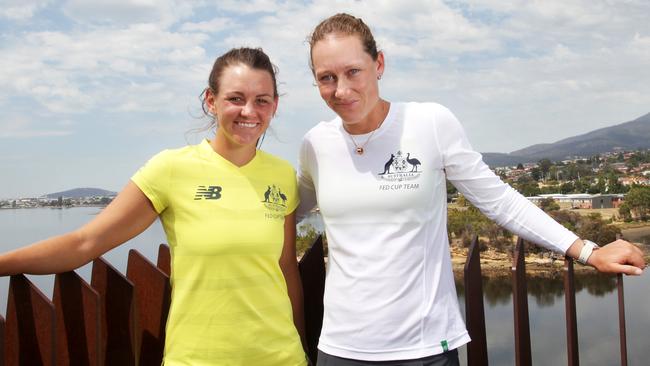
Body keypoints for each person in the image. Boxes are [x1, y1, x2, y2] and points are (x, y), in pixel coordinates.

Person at [296, 13, 646, 366]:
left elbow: (499, 200)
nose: (341, 89)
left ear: (379, 64)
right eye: (327, 78)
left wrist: (587, 251)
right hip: (340, 350)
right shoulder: (315, 145)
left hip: (426, 349)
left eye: (352, 71)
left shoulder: (429, 123)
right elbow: (280, 215)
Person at [0, 47, 308, 366]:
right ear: (211, 101)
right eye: (235, 98)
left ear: (275, 105)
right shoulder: (171, 169)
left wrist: (300, 347)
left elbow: (285, 268)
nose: (249, 111)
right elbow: (84, 243)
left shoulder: (282, 175)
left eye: (262, 100)